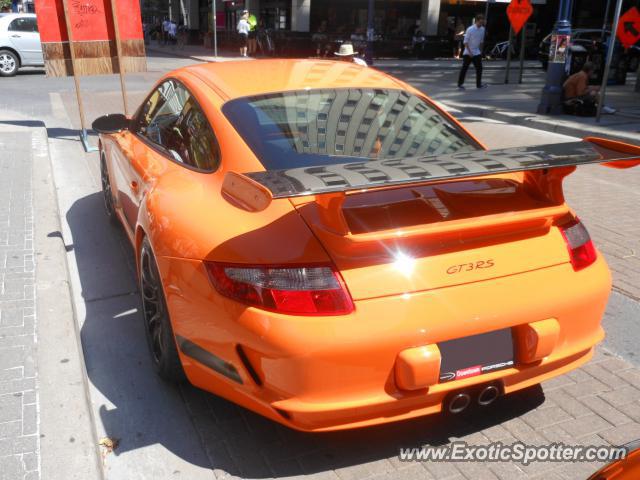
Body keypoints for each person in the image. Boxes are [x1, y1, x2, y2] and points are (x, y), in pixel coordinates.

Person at [457, 14, 487, 89]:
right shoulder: (470, 29)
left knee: (479, 68)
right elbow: (465, 42)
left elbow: (481, 41)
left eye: (482, 22)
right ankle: (460, 83)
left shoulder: (482, 29)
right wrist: (470, 52)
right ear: (476, 21)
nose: (481, 24)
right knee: (465, 68)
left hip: (477, 52)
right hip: (468, 52)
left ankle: (478, 84)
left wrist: (480, 51)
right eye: (480, 22)